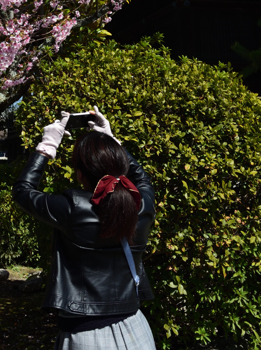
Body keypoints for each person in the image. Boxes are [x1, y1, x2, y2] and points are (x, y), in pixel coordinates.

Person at [12, 108, 157, 350]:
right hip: (136, 328)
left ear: (80, 174)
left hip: (86, 335)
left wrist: (47, 145)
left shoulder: (73, 208)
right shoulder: (142, 204)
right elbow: (142, 179)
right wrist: (112, 142)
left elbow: (23, 191)